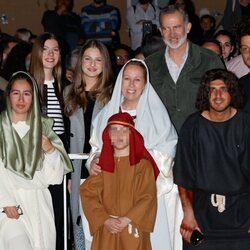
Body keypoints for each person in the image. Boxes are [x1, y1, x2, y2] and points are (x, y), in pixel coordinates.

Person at [87, 59, 178, 250]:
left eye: (137, 80)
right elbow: (96, 148)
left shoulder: (158, 116)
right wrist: (95, 160)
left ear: (145, 83)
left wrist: (134, 159)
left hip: (144, 194)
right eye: (127, 78)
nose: (131, 85)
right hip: (112, 193)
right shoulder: (106, 114)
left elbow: (166, 153)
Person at [173, 68, 250, 250]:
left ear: (232, 92)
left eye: (223, 88)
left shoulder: (246, 124)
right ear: (205, 94)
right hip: (203, 216)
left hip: (243, 215)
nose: (217, 95)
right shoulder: (192, 126)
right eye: (212, 89)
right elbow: (184, 176)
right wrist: (189, 214)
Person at [0, 71, 72, 250]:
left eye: (27, 93)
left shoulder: (44, 128)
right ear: (8, 96)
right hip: (9, 205)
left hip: (39, 204)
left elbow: (54, 179)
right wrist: (5, 200)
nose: (21, 99)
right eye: (16, 93)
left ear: (33, 97)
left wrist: (51, 151)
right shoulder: (1, 129)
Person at [64, 39, 114, 250]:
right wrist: (66, 174)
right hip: (75, 172)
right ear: (80, 62)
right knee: (78, 229)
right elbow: (63, 137)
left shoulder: (113, 95)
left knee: (102, 229)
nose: (92, 65)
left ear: (105, 64)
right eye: (87, 59)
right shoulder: (67, 93)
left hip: (102, 171)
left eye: (98, 60)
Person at [81, 112, 158, 249]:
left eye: (124, 130)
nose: (119, 134)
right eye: (114, 130)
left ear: (131, 135)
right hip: (107, 230)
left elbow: (148, 197)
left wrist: (127, 219)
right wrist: (105, 219)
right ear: (108, 136)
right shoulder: (102, 166)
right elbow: (88, 194)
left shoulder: (143, 166)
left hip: (133, 228)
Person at [145, 4, 225, 132]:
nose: (172, 34)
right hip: (162, 141)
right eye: (166, 28)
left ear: (188, 27)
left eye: (177, 27)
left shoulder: (209, 60)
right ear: (160, 31)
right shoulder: (149, 64)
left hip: (201, 137)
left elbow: (225, 100)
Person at [29, 32, 70, 250]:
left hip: (60, 157)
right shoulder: (27, 84)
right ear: (37, 52)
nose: (51, 54)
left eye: (55, 49)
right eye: (45, 49)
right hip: (36, 159)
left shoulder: (65, 84)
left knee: (60, 214)